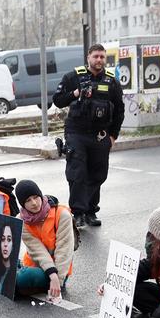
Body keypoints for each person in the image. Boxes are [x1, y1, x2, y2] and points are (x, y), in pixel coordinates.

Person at [53, 43, 125, 228]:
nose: (99, 60)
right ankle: (78, 213)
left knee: (97, 174)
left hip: (100, 136)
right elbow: (58, 100)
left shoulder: (111, 81)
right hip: (76, 133)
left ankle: (91, 211)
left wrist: (113, 136)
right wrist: (75, 93)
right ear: (88, 58)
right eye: (96, 56)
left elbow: (119, 110)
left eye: (102, 57)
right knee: (77, 174)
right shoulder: (73, 77)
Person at [0, 180, 74, 298]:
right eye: (28, 200)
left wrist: (56, 278)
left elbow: (64, 250)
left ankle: (0, 279)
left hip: (56, 270)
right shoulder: (21, 219)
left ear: (41, 196)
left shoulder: (62, 214)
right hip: (32, 264)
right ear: (22, 204)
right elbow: (37, 251)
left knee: (26, 276)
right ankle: (12, 281)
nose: (34, 203)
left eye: (35, 197)